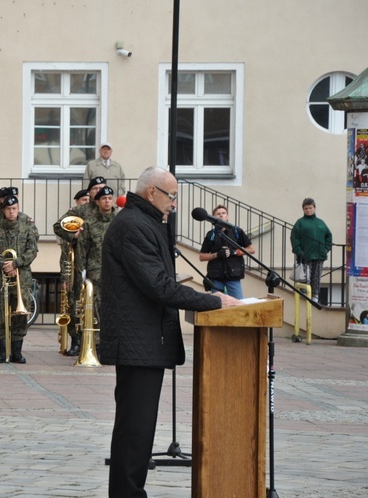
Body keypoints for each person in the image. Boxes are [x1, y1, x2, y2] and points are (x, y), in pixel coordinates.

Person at [99, 167, 241, 497]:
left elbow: (162, 281)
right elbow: (159, 286)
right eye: (171, 196)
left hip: (145, 340)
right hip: (138, 342)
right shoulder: (134, 226)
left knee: (139, 429)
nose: (174, 203)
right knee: (135, 430)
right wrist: (212, 302)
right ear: (152, 193)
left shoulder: (147, 223)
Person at [53, 176, 107, 356]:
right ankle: (77, 340)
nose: (99, 191)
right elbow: (58, 226)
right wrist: (73, 236)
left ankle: (99, 342)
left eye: (103, 187)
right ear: (90, 192)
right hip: (79, 265)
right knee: (75, 301)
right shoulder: (80, 210)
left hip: (102, 265)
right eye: (96, 188)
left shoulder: (109, 212)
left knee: (101, 304)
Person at [0, 195, 39, 363]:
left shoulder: (26, 226)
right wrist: (4, 265)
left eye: (14, 208)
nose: (12, 212)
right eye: (8, 209)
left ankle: (17, 351)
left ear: (18, 208)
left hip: (22, 277)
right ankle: (0, 350)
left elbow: (32, 250)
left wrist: (16, 263)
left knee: (20, 314)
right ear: (3, 210)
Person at [198, 204, 255, 299]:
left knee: (238, 304)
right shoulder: (211, 234)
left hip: (233, 276)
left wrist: (234, 252)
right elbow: (202, 256)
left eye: (223, 213)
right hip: (216, 277)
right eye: (218, 214)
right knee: (218, 306)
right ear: (213, 218)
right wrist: (217, 255)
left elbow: (251, 250)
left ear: (227, 216)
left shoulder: (237, 231)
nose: (221, 215)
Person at [77, 186, 117, 322]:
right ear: (97, 202)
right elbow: (82, 249)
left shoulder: (120, 221)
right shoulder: (89, 223)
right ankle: (97, 342)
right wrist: (81, 273)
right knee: (96, 308)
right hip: (96, 273)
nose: (107, 201)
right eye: (104, 198)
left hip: (116, 272)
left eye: (110, 198)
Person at [290, 198, 332, 303]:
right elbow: (294, 238)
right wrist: (299, 251)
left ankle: (315, 295)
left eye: (310, 208)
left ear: (314, 208)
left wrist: (326, 248)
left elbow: (329, 236)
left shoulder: (321, 223)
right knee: (306, 276)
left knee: (317, 276)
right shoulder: (300, 223)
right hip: (306, 255)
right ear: (303, 209)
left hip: (319, 255)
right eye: (306, 208)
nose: (308, 210)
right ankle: (306, 294)